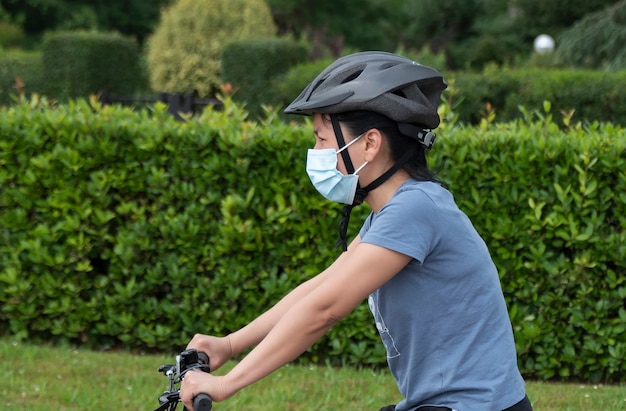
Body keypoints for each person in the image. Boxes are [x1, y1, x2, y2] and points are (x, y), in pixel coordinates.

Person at [180, 51, 532, 411]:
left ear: (369, 143)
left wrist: (226, 383)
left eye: (321, 139)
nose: (315, 152)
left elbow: (325, 310)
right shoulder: (392, 213)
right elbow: (320, 287)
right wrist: (229, 344)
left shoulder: (415, 209)